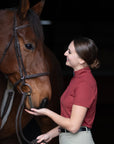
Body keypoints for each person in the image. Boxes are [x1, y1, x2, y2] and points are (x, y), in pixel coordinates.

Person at [25, 37, 100, 144]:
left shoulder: (85, 83)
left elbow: (73, 126)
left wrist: (46, 112)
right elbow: (68, 123)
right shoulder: (77, 79)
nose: (65, 53)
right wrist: (49, 135)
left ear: (82, 60)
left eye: (69, 52)